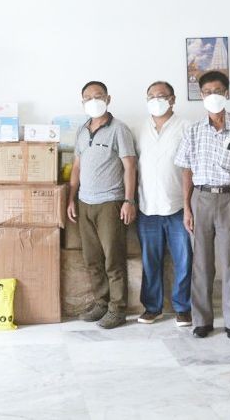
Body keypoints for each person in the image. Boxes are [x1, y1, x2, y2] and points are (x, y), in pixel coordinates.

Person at [175, 70, 230, 340]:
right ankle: (202, 320)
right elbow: (186, 169)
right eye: (208, 92)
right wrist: (187, 206)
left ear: (227, 93)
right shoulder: (194, 129)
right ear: (201, 95)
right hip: (202, 198)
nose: (213, 96)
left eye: (218, 91)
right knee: (201, 263)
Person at [66, 81, 138, 330]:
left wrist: (128, 201)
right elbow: (76, 166)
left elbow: (130, 166)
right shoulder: (82, 130)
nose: (93, 100)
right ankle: (101, 302)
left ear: (108, 98)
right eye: (88, 97)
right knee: (92, 258)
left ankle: (118, 309)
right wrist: (71, 198)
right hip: (85, 202)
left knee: (113, 259)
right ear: (82, 102)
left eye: (98, 96)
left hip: (110, 202)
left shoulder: (119, 129)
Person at [133, 81, 193, 327]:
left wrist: (190, 206)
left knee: (184, 259)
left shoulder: (187, 127)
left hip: (178, 206)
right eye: (151, 96)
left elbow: (190, 167)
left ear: (173, 99)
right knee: (151, 260)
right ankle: (152, 307)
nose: (156, 100)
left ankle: (183, 308)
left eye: (162, 95)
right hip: (147, 207)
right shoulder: (138, 129)